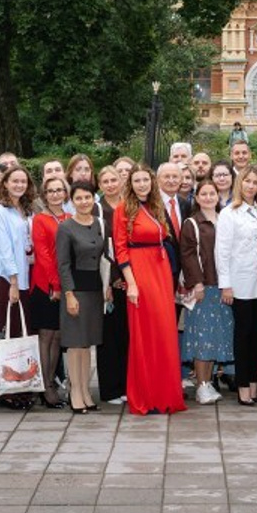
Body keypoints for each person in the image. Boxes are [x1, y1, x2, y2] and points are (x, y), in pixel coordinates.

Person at [113, 167, 185, 415]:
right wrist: (131, 283)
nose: (142, 184)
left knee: (165, 333)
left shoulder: (156, 205)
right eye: (137, 180)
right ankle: (146, 396)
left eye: (145, 179)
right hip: (140, 272)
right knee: (145, 335)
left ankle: (165, 394)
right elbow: (120, 249)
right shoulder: (124, 208)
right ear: (130, 183)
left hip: (161, 271)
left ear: (151, 182)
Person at [216, 167, 257, 407]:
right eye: (247, 181)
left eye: (255, 182)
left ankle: (255, 383)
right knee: (243, 334)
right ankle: (243, 385)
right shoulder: (230, 213)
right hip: (240, 282)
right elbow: (222, 251)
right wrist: (225, 285)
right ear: (240, 183)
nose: (251, 186)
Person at [180, 178, 231, 405]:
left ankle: (208, 382)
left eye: (212, 194)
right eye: (204, 194)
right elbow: (188, 256)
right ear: (197, 197)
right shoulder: (192, 223)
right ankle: (201, 385)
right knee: (202, 338)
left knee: (215, 337)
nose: (209, 197)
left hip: (223, 286)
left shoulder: (225, 219)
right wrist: (197, 284)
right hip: (205, 287)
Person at [57, 181, 106, 413]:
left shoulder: (100, 224)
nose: (84, 202)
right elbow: (63, 264)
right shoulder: (66, 227)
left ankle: (86, 390)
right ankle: (75, 391)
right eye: (79, 198)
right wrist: (69, 294)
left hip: (95, 290)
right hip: (76, 291)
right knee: (75, 345)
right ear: (72, 201)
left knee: (87, 345)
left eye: (88, 197)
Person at [0, 166, 35, 409]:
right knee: (6, 334)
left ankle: (20, 387)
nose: (19, 185)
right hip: (7, 280)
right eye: (14, 181)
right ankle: (2, 391)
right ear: (5, 183)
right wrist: (14, 282)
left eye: (23, 181)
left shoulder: (24, 209)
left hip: (25, 278)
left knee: (19, 336)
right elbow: (4, 249)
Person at [30, 176, 69, 409]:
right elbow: (43, 255)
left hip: (65, 285)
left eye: (59, 190)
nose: (55, 194)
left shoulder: (69, 218)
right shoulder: (40, 220)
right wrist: (55, 284)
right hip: (46, 285)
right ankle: (45, 386)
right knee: (46, 335)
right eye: (50, 191)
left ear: (65, 193)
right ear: (45, 195)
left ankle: (51, 380)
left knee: (58, 336)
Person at [94, 165, 130, 407]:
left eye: (113, 180)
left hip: (132, 279)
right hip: (108, 279)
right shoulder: (98, 210)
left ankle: (127, 384)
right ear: (100, 184)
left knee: (127, 335)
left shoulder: (129, 206)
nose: (110, 184)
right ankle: (109, 388)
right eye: (105, 181)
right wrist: (112, 277)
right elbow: (101, 248)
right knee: (109, 337)